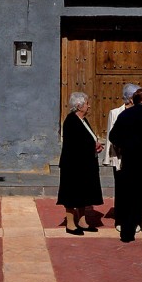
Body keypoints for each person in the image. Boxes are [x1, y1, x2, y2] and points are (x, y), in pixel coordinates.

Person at [108, 87, 142, 243]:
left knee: (129, 199)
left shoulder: (125, 115)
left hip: (131, 163)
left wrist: (123, 146)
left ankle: (127, 234)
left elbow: (113, 136)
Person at [56, 92, 105, 235]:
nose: (88, 106)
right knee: (72, 194)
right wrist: (92, 146)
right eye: (86, 103)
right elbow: (74, 145)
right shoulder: (71, 121)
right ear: (78, 106)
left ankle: (82, 221)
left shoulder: (83, 120)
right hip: (73, 166)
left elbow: (87, 139)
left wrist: (95, 145)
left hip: (85, 164)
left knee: (84, 194)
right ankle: (70, 224)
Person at [104, 83, 140, 233]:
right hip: (120, 157)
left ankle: (135, 220)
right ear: (131, 99)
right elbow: (111, 135)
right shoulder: (115, 113)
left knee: (137, 189)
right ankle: (120, 219)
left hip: (138, 158)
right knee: (122, 189)